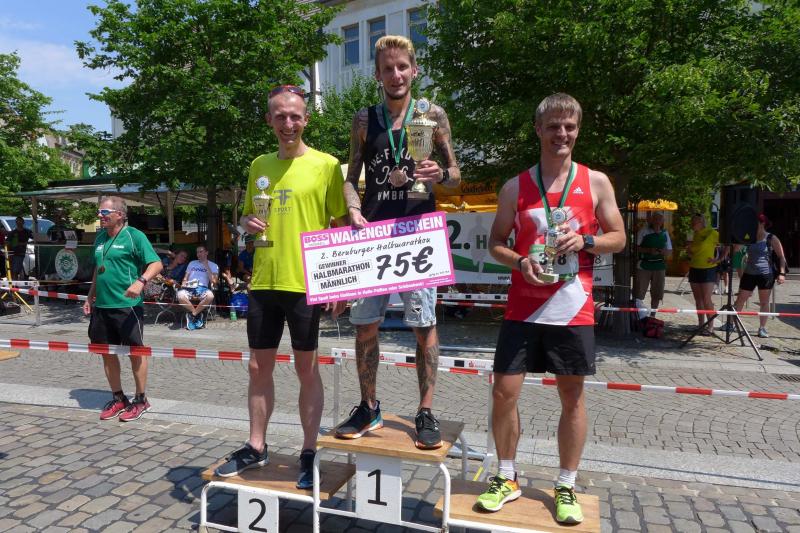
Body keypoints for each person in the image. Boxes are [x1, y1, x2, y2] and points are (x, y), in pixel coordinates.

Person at [479, 93, 625, 523]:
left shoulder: (595, 182)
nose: (562, 134)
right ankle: (506, 476)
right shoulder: (515, 186)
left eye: (569, 126)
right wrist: (519, 261)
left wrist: (587, 241)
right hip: (523, 306)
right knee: (503, 392)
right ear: (538, 130)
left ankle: (566, 484)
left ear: (577, 130)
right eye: (553, 126)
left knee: (572, 397)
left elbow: (618, 237)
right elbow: (495, 243)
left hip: (572, 306)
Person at [214, 84, 348, 489]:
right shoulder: (259, 164)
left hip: (306, 282)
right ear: (269, 120)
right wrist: (246, 225)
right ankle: (257, 446)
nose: (288, 123)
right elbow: (248, 220)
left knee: (307, 368)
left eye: (295, 116)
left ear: (306, 119)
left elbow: (339, 225)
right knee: (258, 367)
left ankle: (309, 451)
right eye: (280, 116)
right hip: (264, 280)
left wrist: (341, 285)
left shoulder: (327, 165)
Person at [333, 35, 461, 450]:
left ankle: (425, 411)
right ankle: (369, 406)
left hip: (417, 234)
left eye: (402, 66)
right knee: (365, 325)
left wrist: (441, 175)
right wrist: (354, 208)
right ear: (377, 74)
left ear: (414, 70)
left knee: (424, 325)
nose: (396, 74)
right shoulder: (363, 120)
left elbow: (456, 174)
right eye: (387, 68)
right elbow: (350, 179)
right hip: (373, 236)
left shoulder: (432, 114)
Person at [83, 196, 163, 421]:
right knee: (106, 353)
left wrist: (141, 282)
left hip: (127, 306)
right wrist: (90, 296)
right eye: (99, 212)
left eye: (104, 213)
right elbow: (99, 269)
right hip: (102, 306)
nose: (100, 216)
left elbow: (156, 264)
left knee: (135, 353)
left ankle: (141, 400)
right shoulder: (100, 237)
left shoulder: (134, 236)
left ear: (119, 215)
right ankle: (119, 398)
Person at [726, 214, 787, 338]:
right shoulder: (749, 237)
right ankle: (731, 324)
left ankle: (762, 328)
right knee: (740, 299)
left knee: (764, 302)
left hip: (765, 274)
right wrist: (738, 239)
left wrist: (781, 273)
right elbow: (736, 249)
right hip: (749, 273)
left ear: (762, 223)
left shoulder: (771, 238)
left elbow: (781, 257)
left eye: (755, 222)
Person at [687, 213, 719, 335]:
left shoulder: (712, 233)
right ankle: (700, 324)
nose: (692, 224)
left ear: (701, 222)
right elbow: (690, 252)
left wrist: (719, 259)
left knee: (706, 298)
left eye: (694, 222)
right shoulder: (692, 234)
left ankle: (710, 326)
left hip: (708, 269)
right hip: (694, 268)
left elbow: (727, 246)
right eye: (692, 222)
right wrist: (689, 251)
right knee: (698, 299)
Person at [635, 212, 672, 314]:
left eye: (660, 219)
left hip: (659, 266)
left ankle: (653, 315)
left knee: (657, 293)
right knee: (639, 292)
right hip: (644, 265)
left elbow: (669, 250)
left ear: (663, 221)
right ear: (651, 220)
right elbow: (635, 247)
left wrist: (663, 251)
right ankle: (638, 315)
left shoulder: (665, 233)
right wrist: (648, 250)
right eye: (655, 219)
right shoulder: (643, 231)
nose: (657, 222)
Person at [176, 245, 218, 330]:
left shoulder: (213, 265)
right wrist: (184, 282)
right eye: (197, 252)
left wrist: (206, 265)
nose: (198, 254)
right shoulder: (192, 263)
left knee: (210, 296)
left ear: (206, 253)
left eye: (201, 251)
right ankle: (197, 314)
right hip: (189, 287)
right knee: (180, 295)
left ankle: (192, 315)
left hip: (202, 288)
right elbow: (185, 278)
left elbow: (214, 281)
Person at [8, 216, 33, 280]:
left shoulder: (28, 231)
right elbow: (8, 242)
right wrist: (15, 244)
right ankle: (14, 283)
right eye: (17, 221)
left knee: (22, 272)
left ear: (23, 222)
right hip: (15, 253)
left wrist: (27, 243)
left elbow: (35, 238)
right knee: (15, 271)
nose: (19, 222)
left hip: (26, 253)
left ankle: (19, 282)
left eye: (20, 221)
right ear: (16, 223)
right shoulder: (13, 232)